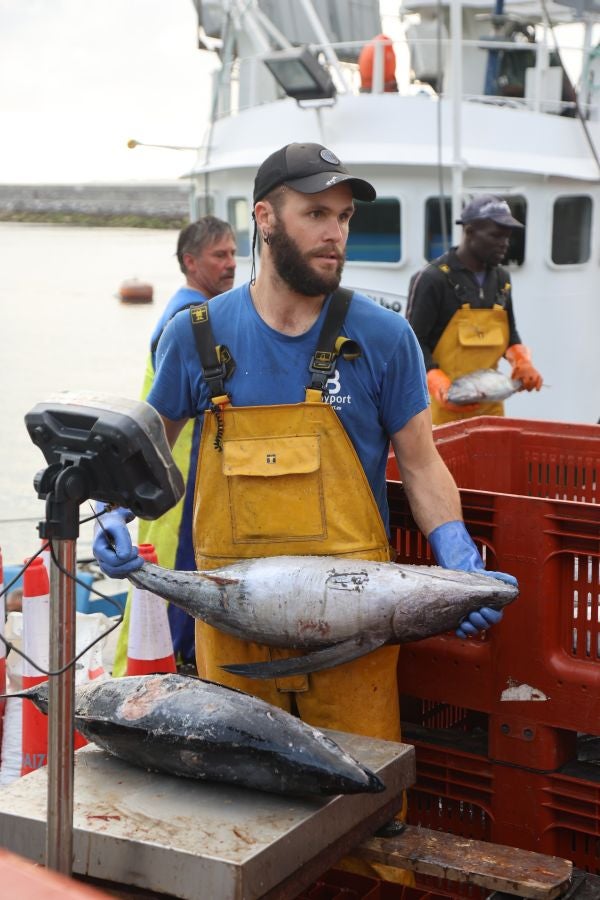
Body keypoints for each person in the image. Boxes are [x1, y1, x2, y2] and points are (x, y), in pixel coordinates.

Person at [93, 144, 516, 883]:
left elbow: (421, 462)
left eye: (345, 217)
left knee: (364, 831)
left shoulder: (384, 338)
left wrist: (456, 555)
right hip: (234, 651)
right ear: (265, 218)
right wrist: (115, 514)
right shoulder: (197, 337)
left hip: (356, 652)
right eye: (316, 213)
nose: (335, 234)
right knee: (233, 843)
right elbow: (149, 450)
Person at [111, 217, 236, 675]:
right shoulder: (187, 319)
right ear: (190, 261)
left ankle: (141, 674)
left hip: (172, 484)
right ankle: (138, 684)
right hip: (175, 488)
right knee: (164, 595)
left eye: (232, 253)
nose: (230, 263)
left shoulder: (194, 311)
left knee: (155, 594)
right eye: (219, 255)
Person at [407, 195, 543, 425]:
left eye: (507, 237)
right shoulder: (432, 279)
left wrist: (522, 363)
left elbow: (510, 334)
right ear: (469, 231)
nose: (504, 243)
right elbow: (412, 343)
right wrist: (438, 383)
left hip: (490, 409)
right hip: (440, 412)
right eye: (496, 235)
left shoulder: (502, 278)